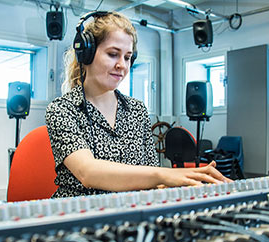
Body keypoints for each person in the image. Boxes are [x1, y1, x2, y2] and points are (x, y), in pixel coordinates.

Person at [45, 11, 231, 198]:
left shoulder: (137, 110)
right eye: (113, 54)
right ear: (86, 54)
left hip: (131, 214)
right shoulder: (62, 109)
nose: (122, 65)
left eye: (127, 57)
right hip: (81, 215)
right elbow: (88, 172)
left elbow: (152, 180)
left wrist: (187, 185)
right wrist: (165, 174)